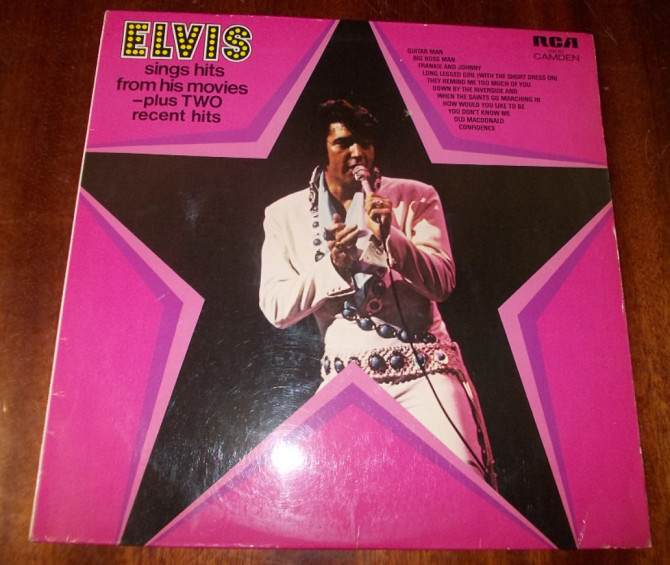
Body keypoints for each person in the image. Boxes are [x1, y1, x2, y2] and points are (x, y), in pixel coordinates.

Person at [259, 99, 495, 486]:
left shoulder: (415, 195)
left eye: (366, 143)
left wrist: (392, 238)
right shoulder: (284, 214)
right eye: (344, 143)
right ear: (321, 150)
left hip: (425, 373)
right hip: (345, 382)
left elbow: (442, 283)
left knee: (463, 487)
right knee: (335, 501)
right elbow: (276, 308)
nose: (358, 153)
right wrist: (334, 267)